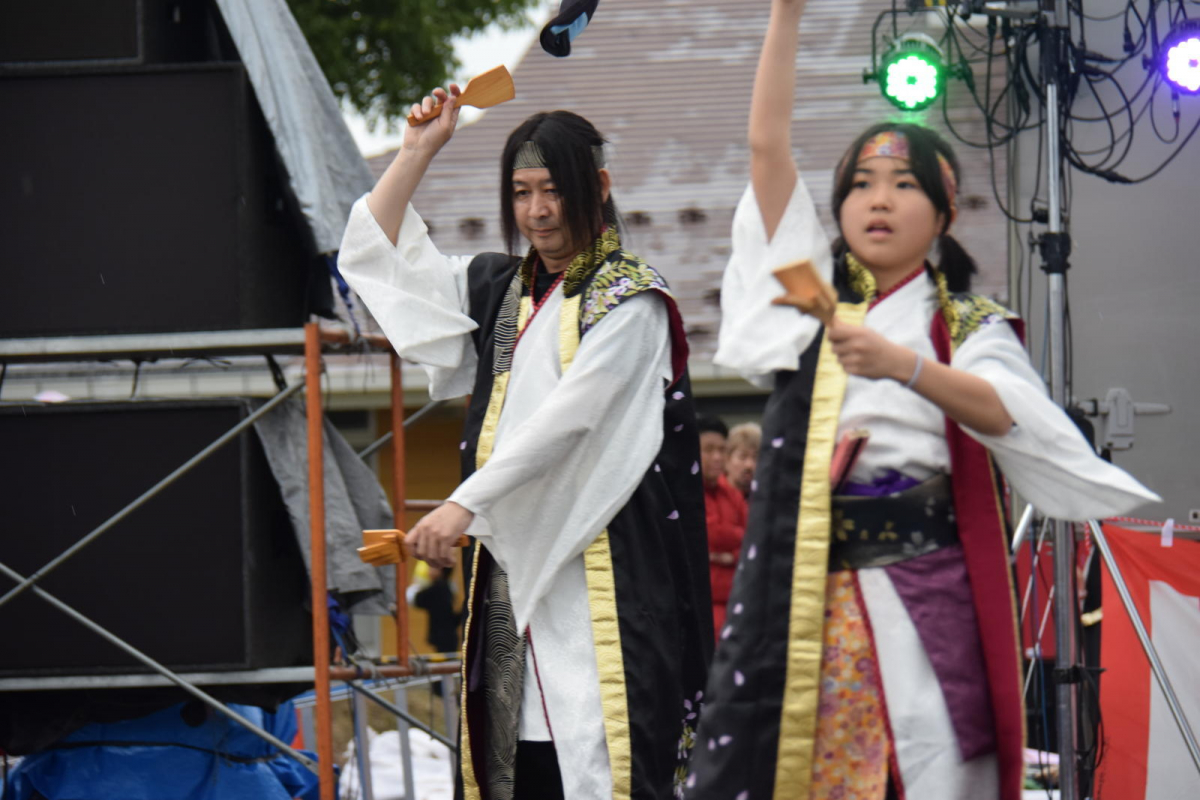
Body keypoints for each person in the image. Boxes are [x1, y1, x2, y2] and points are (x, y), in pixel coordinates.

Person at [684, 2, 1161, 799]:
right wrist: (787, 15)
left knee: (937, 762)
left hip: (925, 580)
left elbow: (1011, 413)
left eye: (904, 184)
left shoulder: (964, 322)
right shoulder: (813, 303)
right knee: (811, 767)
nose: (879, 199)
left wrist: (906, 366)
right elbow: (767, 151)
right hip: (812, 591)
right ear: (835, 211)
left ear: (941, 216)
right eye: (861, 184)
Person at [336, 88, 712, 800]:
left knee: (610, 771)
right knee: (518, 768)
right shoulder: (502, 292)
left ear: (596, 188)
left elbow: (570, 422)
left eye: (553, 191)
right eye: (521, 192)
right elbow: (377, 262)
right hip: (511, 571)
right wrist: (418, 150)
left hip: (607, 574)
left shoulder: (631, 299)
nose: (538, 212)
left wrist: (461, 506)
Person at [698, 416, 748, 639]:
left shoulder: (732, 494)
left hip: (738, 605)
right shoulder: (686, 495)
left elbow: (753, 539)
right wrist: (736, 541)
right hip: (702, 609)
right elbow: (710, 534)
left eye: (722, 450)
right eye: (708, 450)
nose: (717, 457)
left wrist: (729, 553)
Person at [724, 422, 761, 499]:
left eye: (755, 457)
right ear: (727, 459)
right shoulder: (713, 497)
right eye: (742, 457)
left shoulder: (766, 498)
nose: (749, 465)